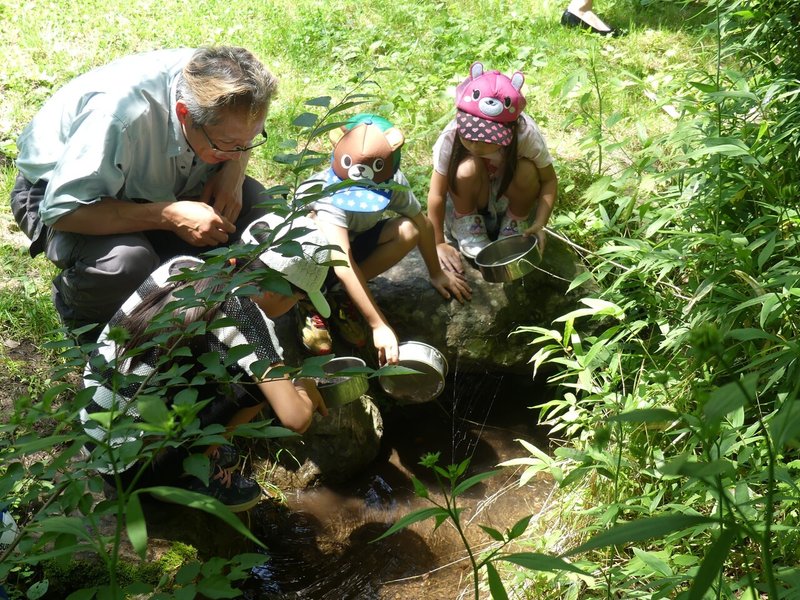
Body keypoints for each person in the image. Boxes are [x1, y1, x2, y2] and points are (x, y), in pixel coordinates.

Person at [10, 46, 278, 339]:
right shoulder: (117, 115)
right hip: (61, 193)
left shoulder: (227, 80)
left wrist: (233, 172)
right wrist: (167, 216)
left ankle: (230, 317)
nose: (240, 153)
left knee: (260, 210)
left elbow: (238, 139)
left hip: (160, 182)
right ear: (184, 114)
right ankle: (84, 319)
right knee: (125, 262)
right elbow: (63, 209)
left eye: (249, 141)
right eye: (228, 143)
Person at [80, 215, 330, 512]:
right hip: (130, 471)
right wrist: (304, 385)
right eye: (298, 299)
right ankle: (190, 471)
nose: (294, 307)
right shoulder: (248, 321)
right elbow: (296, 418)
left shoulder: (182, 267)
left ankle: (193, 446)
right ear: (277, 289)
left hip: (91, 428)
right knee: (257, 384)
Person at [299, 113, 471, 363]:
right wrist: (378, 325)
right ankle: (306, 300)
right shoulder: (328, 193)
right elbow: (342, 262)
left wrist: (436, 273)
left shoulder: (390, 181)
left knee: (408, 229)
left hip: (352, 244)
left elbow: (421, 224)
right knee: (314, 248)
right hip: (311, 259)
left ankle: (338, 294)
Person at [427, 61, 559, 273]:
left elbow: (549, 180)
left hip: (508, 196)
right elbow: (437, 193)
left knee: (527, 170)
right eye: (469, 136)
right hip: (471, 196)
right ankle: (468, 224)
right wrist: (437, 242)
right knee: (466, 168)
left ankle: (515, 222)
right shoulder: (451, 136)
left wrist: (540, 223)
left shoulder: (526, 134)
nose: (476, 145)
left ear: (511, 128)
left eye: (487, 139)